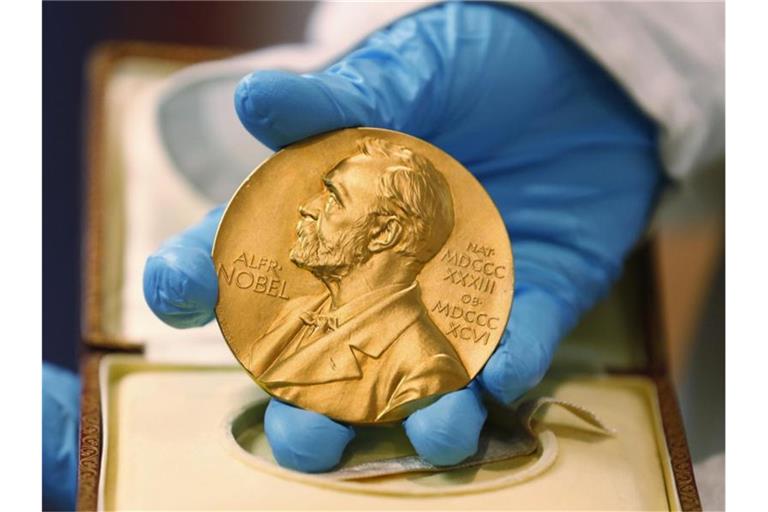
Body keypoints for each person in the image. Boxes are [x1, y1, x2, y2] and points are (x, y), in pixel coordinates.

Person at [44, 2, 723, 507]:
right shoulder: (293, 328)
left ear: (387, 235)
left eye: (332, 197)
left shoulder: (421, 364)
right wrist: (616, 31)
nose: (303, 206)